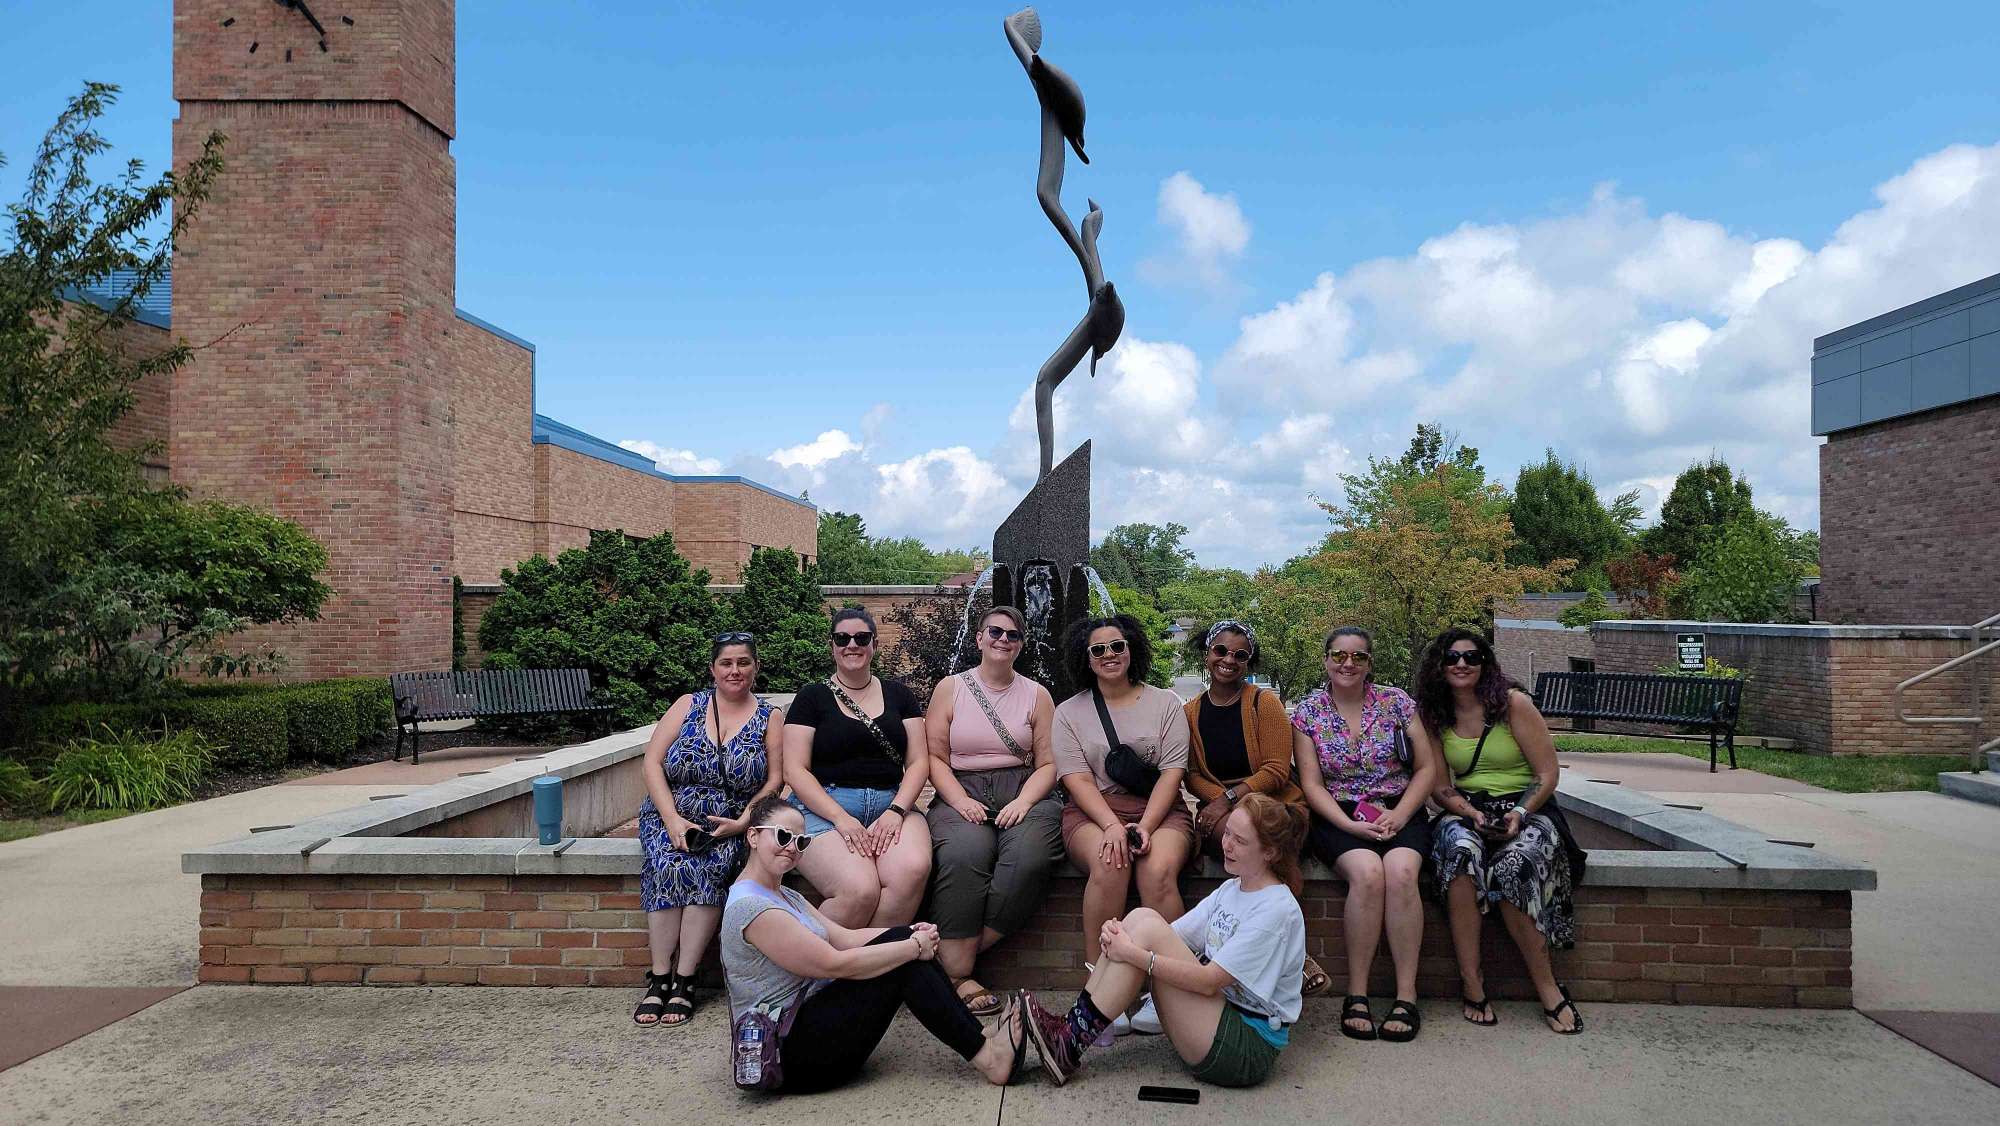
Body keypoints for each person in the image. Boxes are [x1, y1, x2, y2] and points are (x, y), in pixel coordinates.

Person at [720, 795, 1025, 1093]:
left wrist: (911, 932)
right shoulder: (753, 908)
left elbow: (845, 938)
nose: (792, 848)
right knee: (905, 962)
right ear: (753, 837)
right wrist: (911, 948)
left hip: (806, 1029)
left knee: (902, 944)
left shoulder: (786, 896)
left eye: (801, 842)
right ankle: (989, 1058)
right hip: (787, 1055)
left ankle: (980, 1037)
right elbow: (833, 963)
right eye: (784, 836)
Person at [1019, 793, 1308, 1089]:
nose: (1227, 845)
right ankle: (1069, 1034)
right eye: (1228, 833)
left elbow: (1209, 980)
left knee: (1143, 934)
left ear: (1270, 852)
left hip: (1245, 1048)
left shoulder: (1276, 909)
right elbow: (1170, 933)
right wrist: (1118, 930)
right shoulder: (1232, 889)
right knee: (1141, 919)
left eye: (1240, 841)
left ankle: (1067, 1041)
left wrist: (1134, 954)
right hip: (1218, 1018)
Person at [1414, 628, 1584, 1034]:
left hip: (1527, 807)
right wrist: (1470, 813)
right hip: (1469, 808)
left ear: (1485, 663)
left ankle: (1548, 988)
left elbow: (1547, 774)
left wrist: (1520, 813)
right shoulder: (1433, 714)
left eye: (1471, 657)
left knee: (1513, 866)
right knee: (1459, 854)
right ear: (1439, 666)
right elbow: (1440, 787)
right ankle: (1472, 984)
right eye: (1451, 658)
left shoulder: (1513, 704)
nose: (1461, 665)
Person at [1291, 625, 1439, 1043]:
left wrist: (1399, 815)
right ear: (1326, 660)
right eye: (1339, 655)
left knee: (1403, 874)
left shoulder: (1396, 704)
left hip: (1398, 808)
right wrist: (1351, 825)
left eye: (1358, 656)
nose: (1348, 664)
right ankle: (1357, 993)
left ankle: (1405, 995)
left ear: (1370, 662)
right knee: (1368, 874)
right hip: (1338, 816)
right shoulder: (1308, 713)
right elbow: (1312, 785)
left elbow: (1426, 768)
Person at [633, 631, 784, 1027]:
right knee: (666, 865)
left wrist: (743, 822)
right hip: (671, 812)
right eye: (726, 663)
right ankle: (659, 977)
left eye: (743, 663)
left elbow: (774, 781)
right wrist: (671, 819)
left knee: (710, 868)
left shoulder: (770, 716)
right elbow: (652, 764)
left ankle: (685, 980)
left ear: (755, 668)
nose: (735, 671)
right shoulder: (688, 705)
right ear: (713, 669)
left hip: (729, 821)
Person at [924, 605, 1065, 1017]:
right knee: (963, 854)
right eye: (995, 632)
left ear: (1021, 645)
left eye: (1012, 635)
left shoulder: (1037, 695)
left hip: (1024, 788)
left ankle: (954, 957)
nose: (1003, 640)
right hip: (961, 788)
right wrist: (960, 799)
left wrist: (1024, 801)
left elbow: (1049, 764)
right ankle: (960, 971)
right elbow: (935, 756)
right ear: (979, 638)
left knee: (1030, 858)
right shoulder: (951, 688)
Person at [1183, 620, 1326, 997]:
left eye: (1240, 655)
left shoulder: (1265, 702)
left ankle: (1293, 955)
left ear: (1249, 663)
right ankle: (1289, 958)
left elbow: (1277, 770)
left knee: (1261, 840)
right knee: (1235, 835)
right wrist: (1219, 802)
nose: (1228, 659)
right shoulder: (1192, 712)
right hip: (1226, 813)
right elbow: (1193, 773)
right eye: (1221, 651)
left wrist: (1230, 800)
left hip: (1278, 806)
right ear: (1207, 653)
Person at [1052, 614, 1195, 968]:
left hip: (1159, 811)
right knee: (1110, 861)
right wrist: (1112, 826)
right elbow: (1078, 781)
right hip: (1093, 812)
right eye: (1098, 649)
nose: (1109, 654)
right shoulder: (1068, 713)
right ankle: (1098, 982)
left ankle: (1171, 980)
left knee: (1157, 869)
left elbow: (1171, 773)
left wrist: (1145, 825)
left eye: (1117, 646)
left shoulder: (1166, 704)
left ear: (1131, 649)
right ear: (1085, 658)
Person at [784, 607, 932, 928]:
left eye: (861, 638)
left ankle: (869, 970)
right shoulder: (811, 698)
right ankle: (814, 970)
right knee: (859, 890)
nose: (852, 644)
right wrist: (841, 818)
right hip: (825, 807)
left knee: (912, 871)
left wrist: (896, 810)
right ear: (832, 646)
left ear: (874, 645)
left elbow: (919, 761)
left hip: (890, 804)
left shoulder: (900, 695)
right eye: (843, 638)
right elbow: (794, 770)